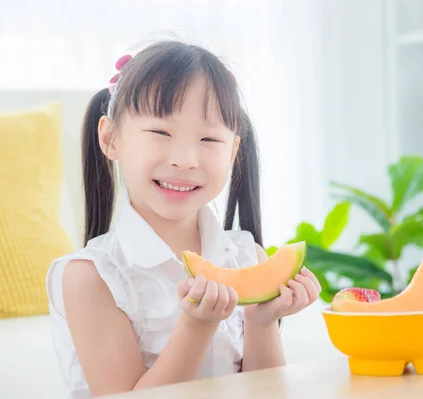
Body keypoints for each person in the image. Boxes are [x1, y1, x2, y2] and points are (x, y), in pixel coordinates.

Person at [45, 40, 321, 398]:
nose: (186, 159)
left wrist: (262, 320)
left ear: (233, 152)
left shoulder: (247, 255)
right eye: (161, 132)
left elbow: (266, 393)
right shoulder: (90, 276)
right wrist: (196, 325)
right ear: (111, 138)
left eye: (209, 138)